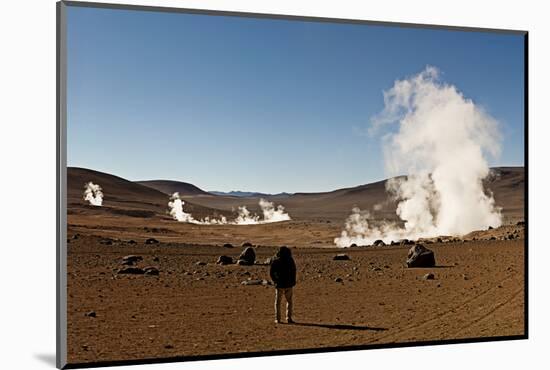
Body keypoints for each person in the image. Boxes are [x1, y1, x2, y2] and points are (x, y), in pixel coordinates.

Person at [269, 246, 297, 324]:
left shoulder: (276, 260)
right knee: (289, 301)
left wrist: (275, 281)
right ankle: (289, 318)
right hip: (289, 284)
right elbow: (294, 271)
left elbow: (271, 273)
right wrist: (293, 281)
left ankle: (278, 319)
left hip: (279, 284)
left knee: (278, 302)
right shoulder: (290, 260)